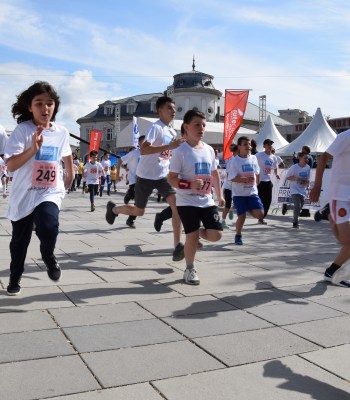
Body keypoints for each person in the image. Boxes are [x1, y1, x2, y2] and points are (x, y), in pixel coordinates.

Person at [3, 81, 74, 296]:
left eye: (49, 104)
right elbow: (11, 164)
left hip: (49, 190)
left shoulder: (61, 132)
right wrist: (33, 149)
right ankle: (15, 278)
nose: (45, 108)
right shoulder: (23, 131)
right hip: (24, 193)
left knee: (49, 226)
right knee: (19, 243)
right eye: (39, 103)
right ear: (30, 107)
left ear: (55, 107)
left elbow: (67, 152)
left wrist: (70, 171)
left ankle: (48, 257)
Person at [105, 96, 186, 261]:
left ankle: (177, 245)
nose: (173, 111)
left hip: (163, 176)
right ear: (160, 111)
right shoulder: (156, 128)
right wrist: (170, 146)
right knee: (138, 211)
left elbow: (168, 155)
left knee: (177, 205)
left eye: (174, 108)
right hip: (145, 177)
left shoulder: (172, 131)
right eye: (169, 108)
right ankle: (114, 209)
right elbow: (143, 150)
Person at [168, 110, 224, 285]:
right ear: (186, 126)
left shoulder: (209, 150)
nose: (201, 128)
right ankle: (190, 269)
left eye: (204, 125)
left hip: (206, 200)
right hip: (186, 201)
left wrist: (220, 196)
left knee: (216, 235)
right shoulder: (180, 151)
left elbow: (214, 173)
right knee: (191, 237)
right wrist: (189, 184)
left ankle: (195, 232)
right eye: (197, 125)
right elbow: (171, 178)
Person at [310, 129, 350, 287]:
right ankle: (332, 272)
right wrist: (317, 185)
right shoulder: (346, 136)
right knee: (347, 242)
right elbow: (323, 158)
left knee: (346, 242)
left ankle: (327, 214)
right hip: (340, 195)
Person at [227, 136, 264, 245]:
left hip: (252, 192)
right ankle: (238, 235)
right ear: (239, 146)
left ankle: (246, 208)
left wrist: (257, 181)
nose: (248, 147)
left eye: (249, 144)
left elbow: (257, 172)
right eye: (245, 144)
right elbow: (232, 177)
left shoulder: (253, 158)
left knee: (260, 215)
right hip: (239, 194)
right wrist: (244, 179)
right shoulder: (235, 161)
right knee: (241, 217)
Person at [116, 136, 145, 228]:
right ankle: (129, 194)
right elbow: (120, 160)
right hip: (134, 180)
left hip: (144, 181)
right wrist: (117, 175)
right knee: (137, 200)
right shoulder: (134, 153)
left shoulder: (149, 154)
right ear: (140, 143)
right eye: (144, 142)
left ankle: (130, 220)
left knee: (139, 203)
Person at [255, 139, 280, 224]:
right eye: (268, 144)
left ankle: (262, 217)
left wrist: (277, 174)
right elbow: (251, 161)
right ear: (264, 146)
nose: (270, 146)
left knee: (268, 201)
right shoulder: (259, 155)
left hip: (268, 181)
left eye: (271, 144)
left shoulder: (274, 157)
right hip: (260, 181)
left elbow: (276, 167)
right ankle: (260, 217)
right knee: (260, 200)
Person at [285, 152, 310, 228]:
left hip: (302, 189)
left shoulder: (308, 167)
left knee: (299, 207)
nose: (306, 159)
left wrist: (308, 186)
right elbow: (287, 177)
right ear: (300, 158)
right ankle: (295, 222)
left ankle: (287, 207)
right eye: (305, 158)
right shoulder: (294, 167)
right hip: (294, 189)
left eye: (307, 158)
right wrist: (296, 178)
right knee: (297, 205)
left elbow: (307, 178)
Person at [221, 144, 238, 229]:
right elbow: (228, 176)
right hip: (229, 187)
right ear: (234, 152)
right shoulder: (231, 162)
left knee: (238, 204)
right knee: (227, 205)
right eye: (238, 152)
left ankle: (232, 210)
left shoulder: (241, 160)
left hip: (237, 187)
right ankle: (222, 221)